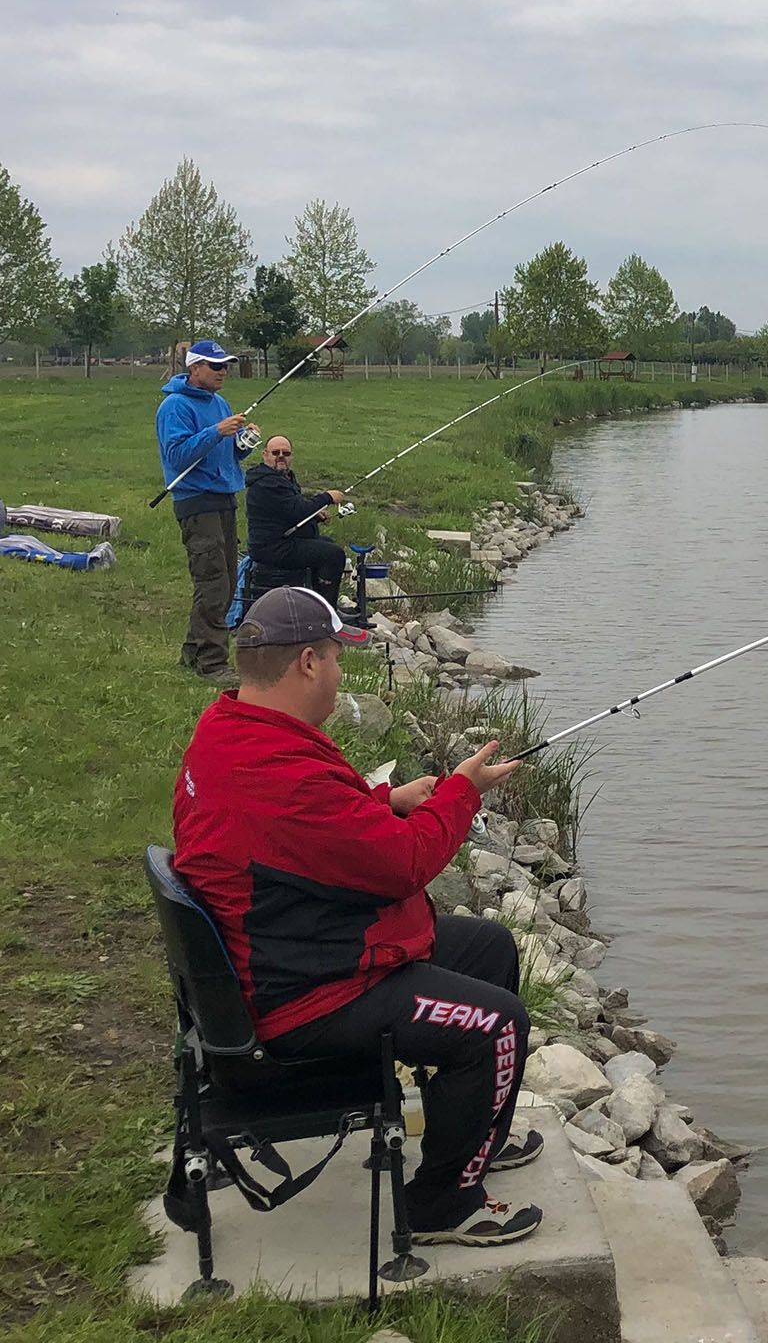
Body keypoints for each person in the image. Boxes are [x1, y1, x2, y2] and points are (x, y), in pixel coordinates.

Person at [172, 587, 545, 1246]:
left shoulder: (231, 730)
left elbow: (307, 829)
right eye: (338, 658)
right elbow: (404, 865)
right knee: (497, 1025)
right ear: (308, 663)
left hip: (294, 950)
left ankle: (469, 1137)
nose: (342, 672)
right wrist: (458, 793)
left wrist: (388, 799)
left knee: (488, 948)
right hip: (307, 996)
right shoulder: (277, 767)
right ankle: (440, 1208)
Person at [156, 340, 257, 685]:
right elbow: (178, 456)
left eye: (225, 365)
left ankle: (192, 653)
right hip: (196, 502)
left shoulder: (220, 403)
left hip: (225, 498)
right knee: (212, 582)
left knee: (226, 583)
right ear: (194, 368)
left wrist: (242, 443)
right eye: (216, 366)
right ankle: (213, 663)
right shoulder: (174, 406)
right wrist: (216, 431)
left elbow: (228, 454)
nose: (223, 372)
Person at [245, 435, 349, 606]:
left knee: (327, 543)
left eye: (285, 453)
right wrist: (327, 497)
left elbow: (288, 510)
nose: (281, 456)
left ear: (291, 457)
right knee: (334, 555)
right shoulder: (268, 482)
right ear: (265, 455)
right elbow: (299, 510)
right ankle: (326, 611)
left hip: (282, 541)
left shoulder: (283, 478)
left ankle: (315, 601)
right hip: (272, 547)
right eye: (275, 452)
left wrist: (315, 515)